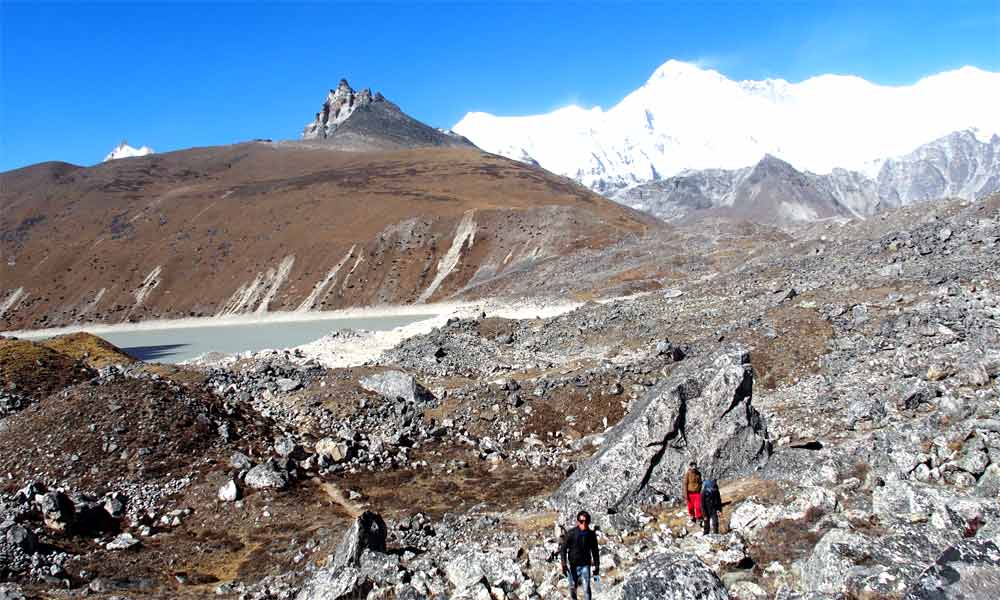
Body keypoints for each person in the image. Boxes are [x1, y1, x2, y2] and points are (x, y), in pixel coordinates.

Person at [559, 510, 600, 600]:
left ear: (589, 522)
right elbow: (563, 549)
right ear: (578, 522)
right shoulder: (571, 533)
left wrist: (597, 566)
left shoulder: (591, 535)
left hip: (585, 565)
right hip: (573, 566)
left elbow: (595, 551)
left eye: (586, 521)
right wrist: (564, 564)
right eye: (581, 521)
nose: (584, 524)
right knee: (573, 588)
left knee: (586, 589)